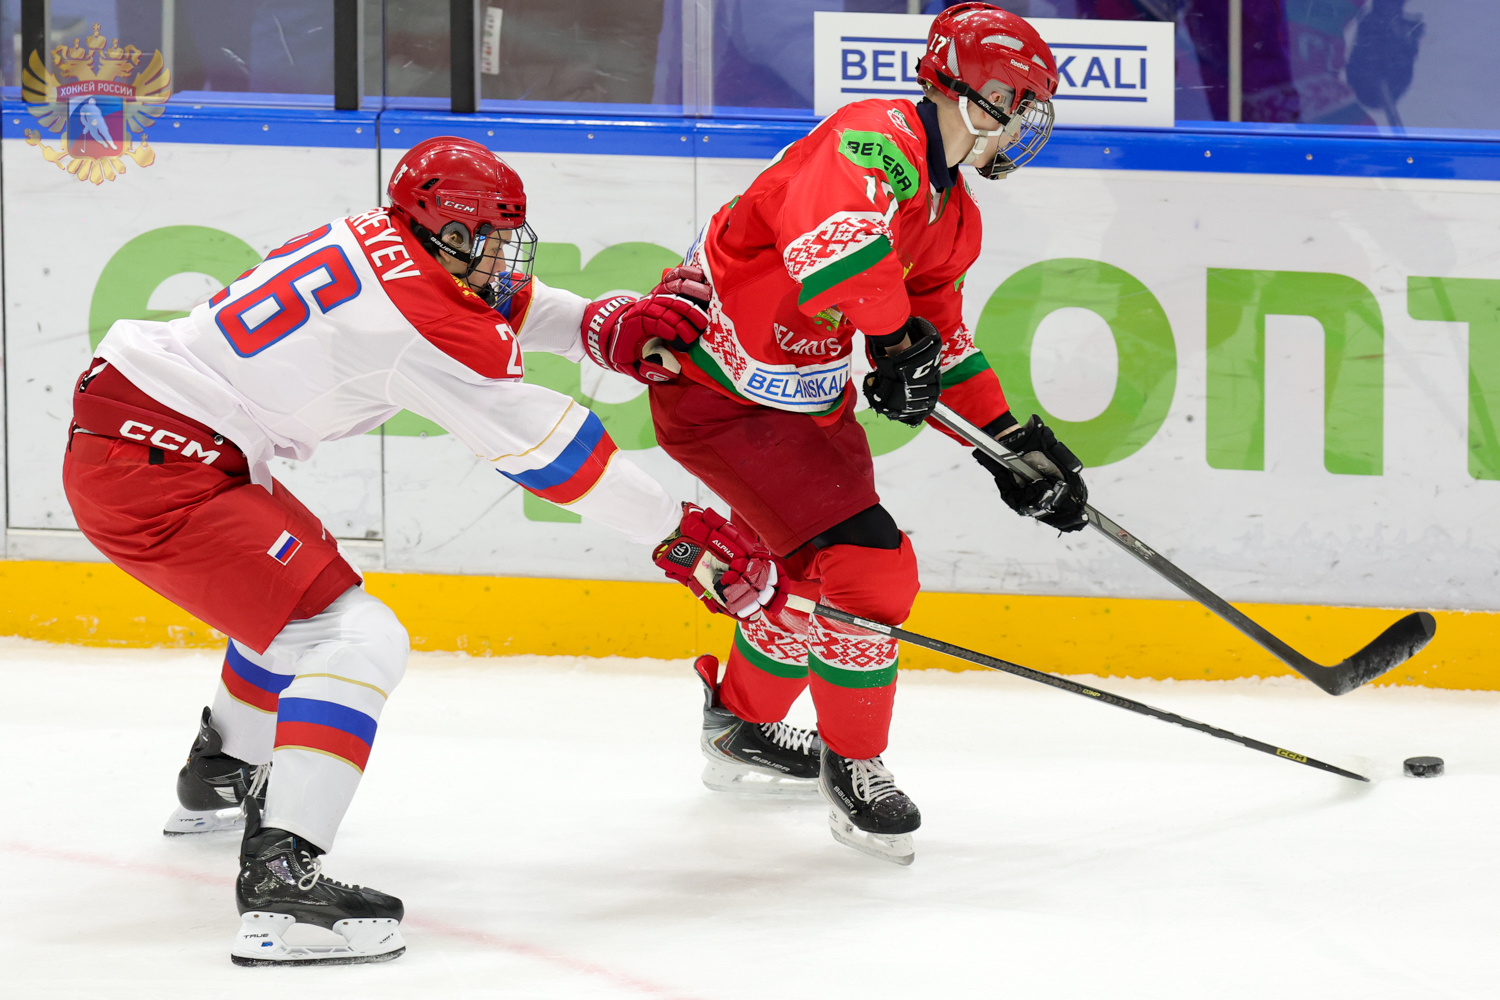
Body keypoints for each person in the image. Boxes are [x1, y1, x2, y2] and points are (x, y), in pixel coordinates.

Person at [62, 136, 777, 965]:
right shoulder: (423, 321)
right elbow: (553, 453)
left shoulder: (382, 236)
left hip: (152, 431)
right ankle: (282, 880)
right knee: (355, 637)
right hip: (161, 463)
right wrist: (679, 534)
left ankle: (223, 767)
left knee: (300, 603)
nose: (505, 260)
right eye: (491, 241)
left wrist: (595, 324)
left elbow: (489, 300)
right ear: (449, 233)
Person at [587, 3, 1089, 865]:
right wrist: (892, 342)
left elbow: (942, 339)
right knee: (870, 566)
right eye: (1017, 103)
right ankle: (855, 765)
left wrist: (1010, 445)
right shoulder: (874, 138)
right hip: (720, 393)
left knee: (809, 576)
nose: (1021, 125)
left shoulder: (953, 215)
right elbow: (831, 251)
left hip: (806, 404)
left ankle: (741, 727)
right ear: (973, 92)